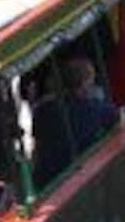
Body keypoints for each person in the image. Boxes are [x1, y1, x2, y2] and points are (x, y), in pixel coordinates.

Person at [31, 56, 120, 188]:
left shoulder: (42, 110)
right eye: (91, 83)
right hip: (74, 176)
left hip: (44, 180)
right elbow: (120, 120)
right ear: (84, 85)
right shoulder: (91, 108)